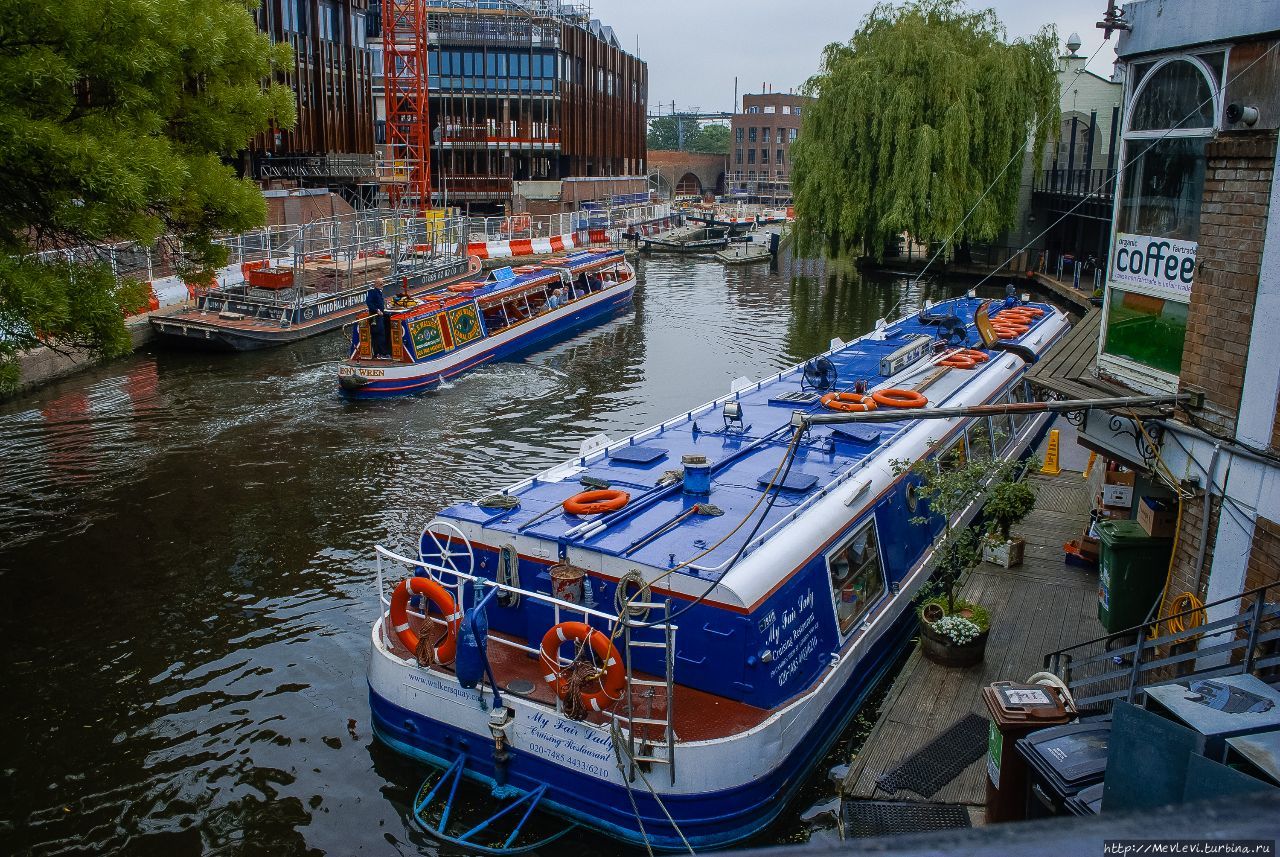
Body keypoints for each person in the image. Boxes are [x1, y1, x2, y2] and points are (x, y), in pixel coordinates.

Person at [366, 284, 390, 357]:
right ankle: (381, 353)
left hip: (380, 316)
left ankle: (378, 353)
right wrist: (376, 310)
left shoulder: (378, 292)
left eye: (382, 283)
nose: (382, 285)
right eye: (380, 284)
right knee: (379, 334)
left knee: (379, 334)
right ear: (376, 284)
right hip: (376, 317)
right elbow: (369, 302)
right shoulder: (372, 292)